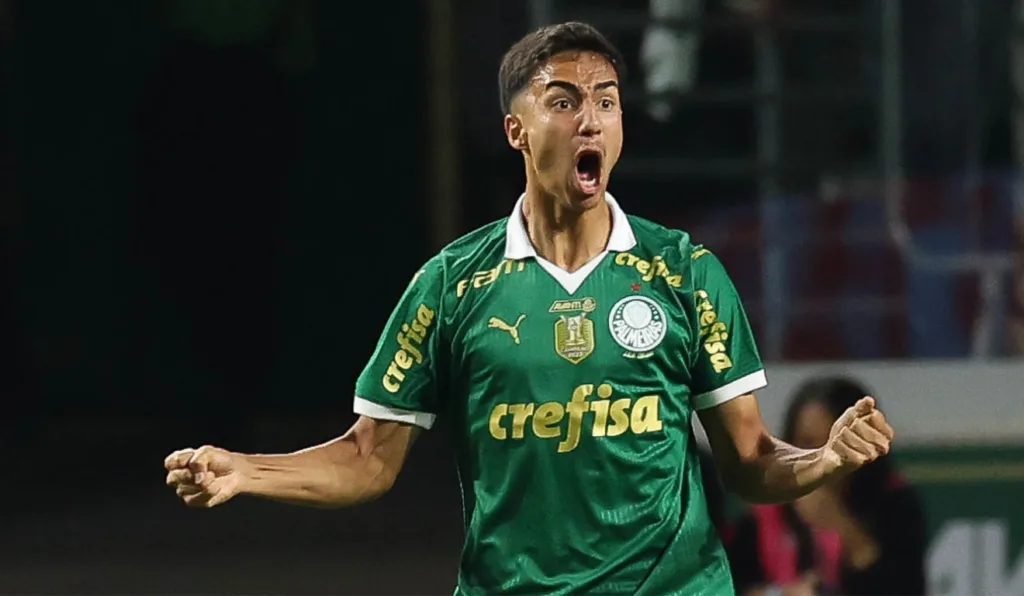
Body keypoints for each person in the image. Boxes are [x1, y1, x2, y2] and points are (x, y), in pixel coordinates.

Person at [164, 22, 896, 595]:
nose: (591, 120)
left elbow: (749, 462)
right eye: (564, 101)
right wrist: (247, 471)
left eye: (606, 101)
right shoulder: (452, 285)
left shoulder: (684, 273)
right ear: (517, 131)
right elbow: (367, 461)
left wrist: (824, 458)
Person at [727, 376, 926, 595]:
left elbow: (904, 586)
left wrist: (842, 527)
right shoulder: (764, 513)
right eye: (807, 444)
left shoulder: (895, 505)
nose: (823, 457)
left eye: (834, 445)